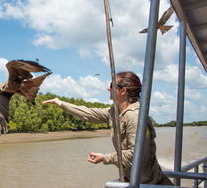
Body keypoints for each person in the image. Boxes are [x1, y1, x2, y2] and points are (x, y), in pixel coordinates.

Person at [41, 71, 173, 185]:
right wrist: (60, 103)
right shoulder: (115, 112)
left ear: (123, 90)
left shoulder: (135, 116)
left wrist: (105, 158)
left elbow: (136, 156)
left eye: (112, 85)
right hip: (133, 180)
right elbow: (89, 114)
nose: (108, 88)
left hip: (148, 183)